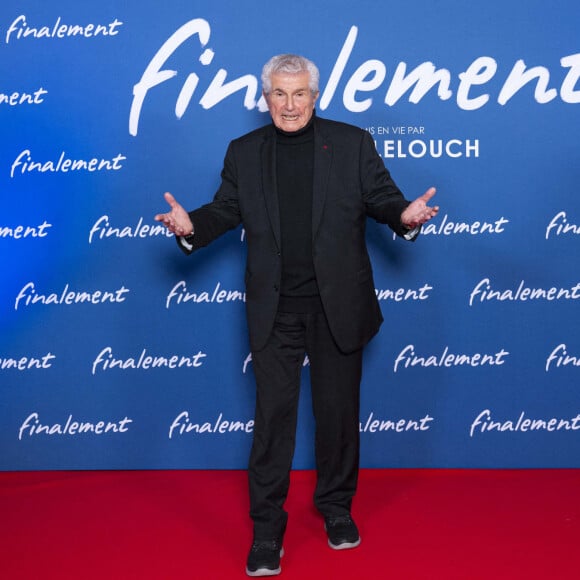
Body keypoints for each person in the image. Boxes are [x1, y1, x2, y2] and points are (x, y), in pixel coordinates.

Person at [155, 54, 439, 577]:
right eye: (279, 95)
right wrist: (189, 224)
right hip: (275, 311)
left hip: (339, 307)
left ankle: (335, 509)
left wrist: (404, 216)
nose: (289, 105)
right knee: (272, 424)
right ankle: (267, 532)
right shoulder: (244, 152)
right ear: (266, 100)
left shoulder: (352, 144)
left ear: (315, 94)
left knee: (337, 420)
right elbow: (224, 210)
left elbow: (382, 198)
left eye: (299, 94)